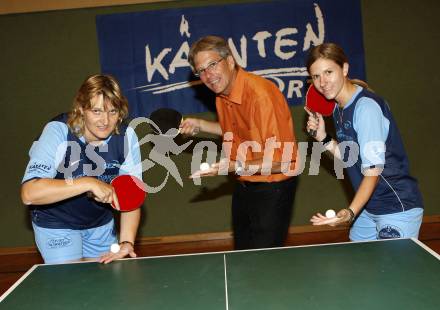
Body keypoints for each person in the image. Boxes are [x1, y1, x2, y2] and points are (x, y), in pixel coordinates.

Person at [180, 35, 299, 250]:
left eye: (212, 65)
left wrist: (236, 166)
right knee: (243, 253)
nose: (208, 75)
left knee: (265, 261)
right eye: (201, 70)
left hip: (273, 186)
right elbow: (235, 132)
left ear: (231, 61)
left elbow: (282, 160)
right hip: (245, 183)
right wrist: (200, 124)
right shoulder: (222, 96)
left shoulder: (261, 95)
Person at [305, 43, 424, 240]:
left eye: (328, 72)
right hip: (370, 207)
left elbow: (372, 173)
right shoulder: (339, 109)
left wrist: (350, 212)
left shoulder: (365, 109)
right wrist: (323, 138)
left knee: (393, 270)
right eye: (316, 76)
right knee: (358, 264)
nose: (322, 82)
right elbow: (351, 158)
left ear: (344, 68)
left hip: (396, 206)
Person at [21, 74, 142, 264]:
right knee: (70, 285)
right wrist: (88, 183)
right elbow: (30, 193)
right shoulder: (58, 131)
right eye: (96, 111)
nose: (105, 121)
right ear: (81, 109)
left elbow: (130, 196)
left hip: (100, 224)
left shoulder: (127, 137)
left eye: (112, 111)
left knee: (104, 285)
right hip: (56, 222)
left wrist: (127, 241)